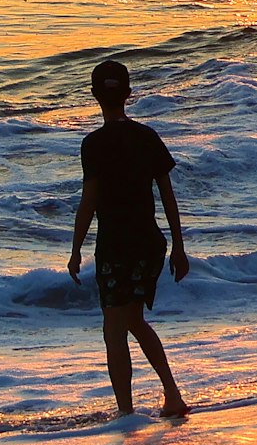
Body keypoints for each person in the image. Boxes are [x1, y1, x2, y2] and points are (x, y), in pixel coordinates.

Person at [63, 56, 190, 420]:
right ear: (129, 94)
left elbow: (89, 202)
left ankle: (127, 413)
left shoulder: (94, 144)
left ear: (93, 95)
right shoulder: (147, 137)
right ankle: (171, 396)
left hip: (116, 245)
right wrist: (179, 247)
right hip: (150, 243)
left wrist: (75, 250)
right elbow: (168, 196)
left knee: (114, 327)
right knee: (131, 320)